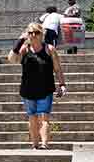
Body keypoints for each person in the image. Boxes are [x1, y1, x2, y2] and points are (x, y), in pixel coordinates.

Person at [8, 21, 67, 150]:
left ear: (42, 34)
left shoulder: (49, 49)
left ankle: (44, 144)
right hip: (28, 88)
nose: (33, 35)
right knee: (32, 117)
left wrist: (62, 84)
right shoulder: (24, 49)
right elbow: (11, 59)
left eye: (36, 33)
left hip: (45, 88)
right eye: (30, 33)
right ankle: (35, 145)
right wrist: (19, 42)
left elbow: (57, 69)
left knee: (44, 117)